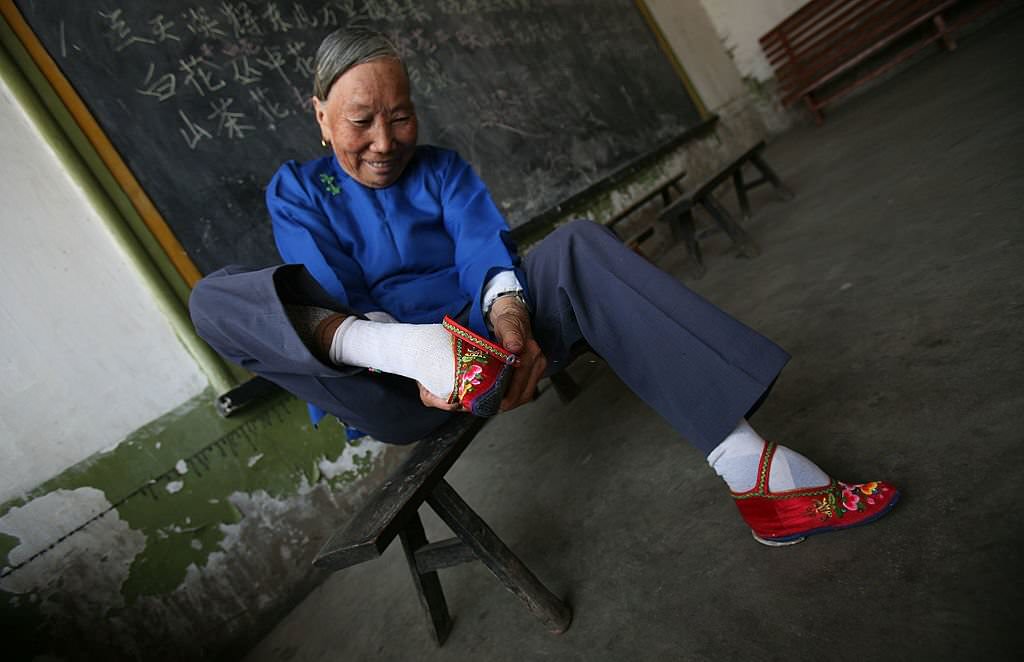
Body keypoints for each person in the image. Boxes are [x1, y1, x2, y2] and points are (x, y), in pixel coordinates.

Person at [189, 27, 899, 546]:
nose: (384, 140)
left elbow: (483, 247)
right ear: (319, 115)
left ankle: (750, 471)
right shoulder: (298, 190)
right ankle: (417, 352)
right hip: (393, 383)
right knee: (213, 299)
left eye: (400, 115)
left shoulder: (442, 169)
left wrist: (510, 320)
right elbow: (331, 285)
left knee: (577, 247)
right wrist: (415, 361)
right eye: (360, 121)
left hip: (495, 349)